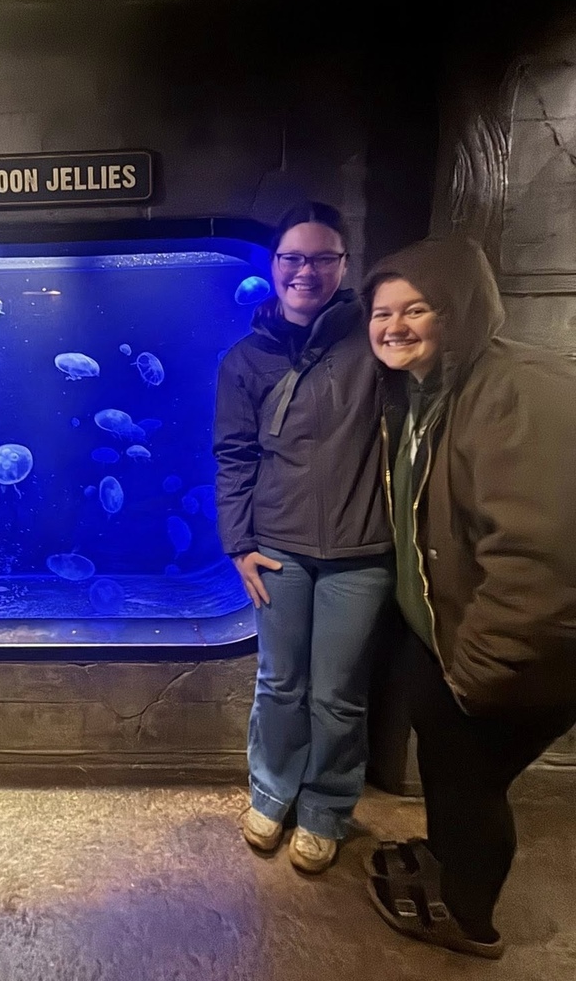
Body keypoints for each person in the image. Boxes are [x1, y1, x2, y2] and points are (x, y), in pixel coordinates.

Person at [362, 234, 576, 958]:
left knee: (469, 785)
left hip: (506, 661)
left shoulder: (518, 391)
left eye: (414, 308)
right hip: (457, 646)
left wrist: (474, 676)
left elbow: (541, 561)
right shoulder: (430, 393)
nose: (392, 325)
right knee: (454, 781)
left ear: (456, 311)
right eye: (380, 312)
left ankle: (467, 921)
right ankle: (449, 868)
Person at [213, 202, 394, 873]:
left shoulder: (371, 345)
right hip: (277, 548)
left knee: (337, 692)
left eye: (322, 258)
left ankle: (324, 809)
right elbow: (231, 456)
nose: (305, 271)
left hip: (361, 553)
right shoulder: (244, 359)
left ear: (343, 266)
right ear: (274, 266)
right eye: (292, 258)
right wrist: (237, 543)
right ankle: (270, 792)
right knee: (279, 682)